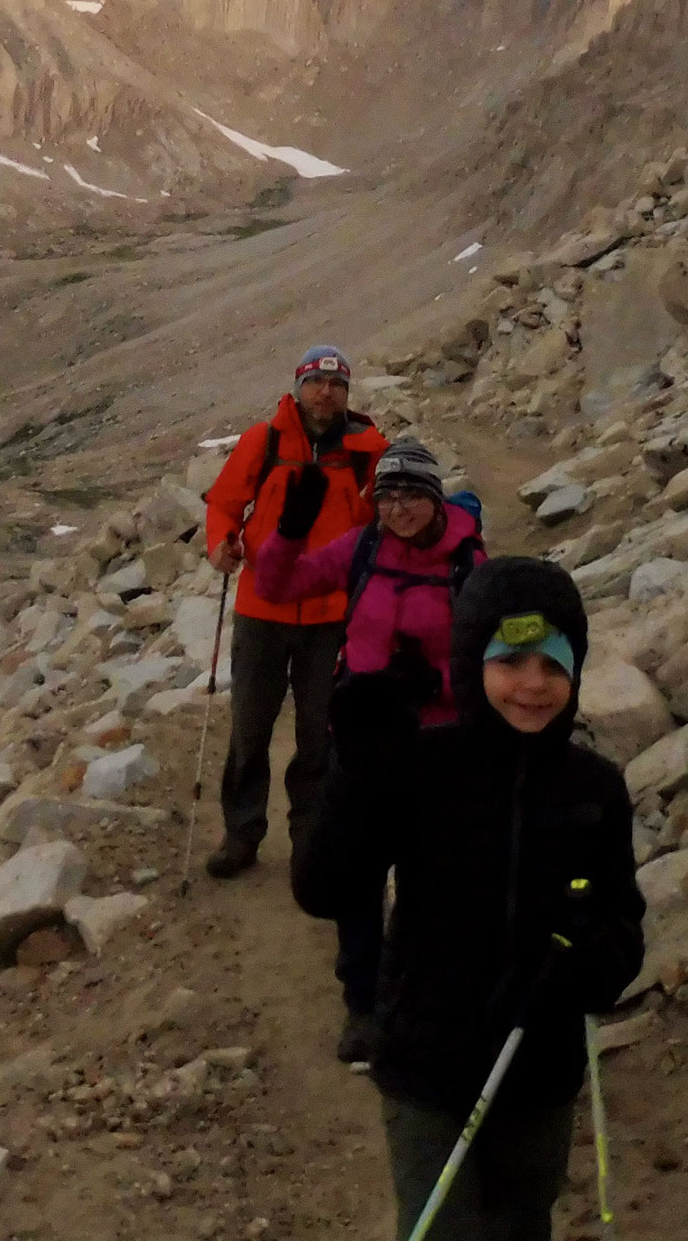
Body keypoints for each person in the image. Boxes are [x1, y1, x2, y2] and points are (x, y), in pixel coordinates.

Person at [293, 558, 644, 1241]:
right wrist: (357, 777)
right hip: (428, 1067)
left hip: (541, 1070)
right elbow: (326, 888)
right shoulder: (425, 767)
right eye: (510, 661)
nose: (533, 685)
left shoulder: (594, 789)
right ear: (469, 662)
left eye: (554, 663)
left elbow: (622, 927)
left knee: (522, 1222)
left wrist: (586, 965)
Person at [252, 437, 485, 1064]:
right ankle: (364, 1003)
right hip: (358, 745)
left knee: (427, 879)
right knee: (356, 880)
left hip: (436, 746)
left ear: (434, 496)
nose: (399, 507)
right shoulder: (362, 548)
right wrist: (289, 531)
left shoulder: (468, 562)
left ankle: (420, 996)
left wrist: (435, 682)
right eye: (387, 495)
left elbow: (485, 653)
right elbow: (277, 585)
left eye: (411, 493)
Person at [201, 345, 389, 880]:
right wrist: (221, 544)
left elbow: (385, 513)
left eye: (336, 384)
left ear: (347, 393)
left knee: (321, 731)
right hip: (263, 605)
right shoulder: (264, 441)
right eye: (316, 381)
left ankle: (312, 836)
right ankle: (242, 833)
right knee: (250, 727)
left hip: (333, 612)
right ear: (299, 385)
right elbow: (224, 504)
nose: (325, 391)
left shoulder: (366, 449)